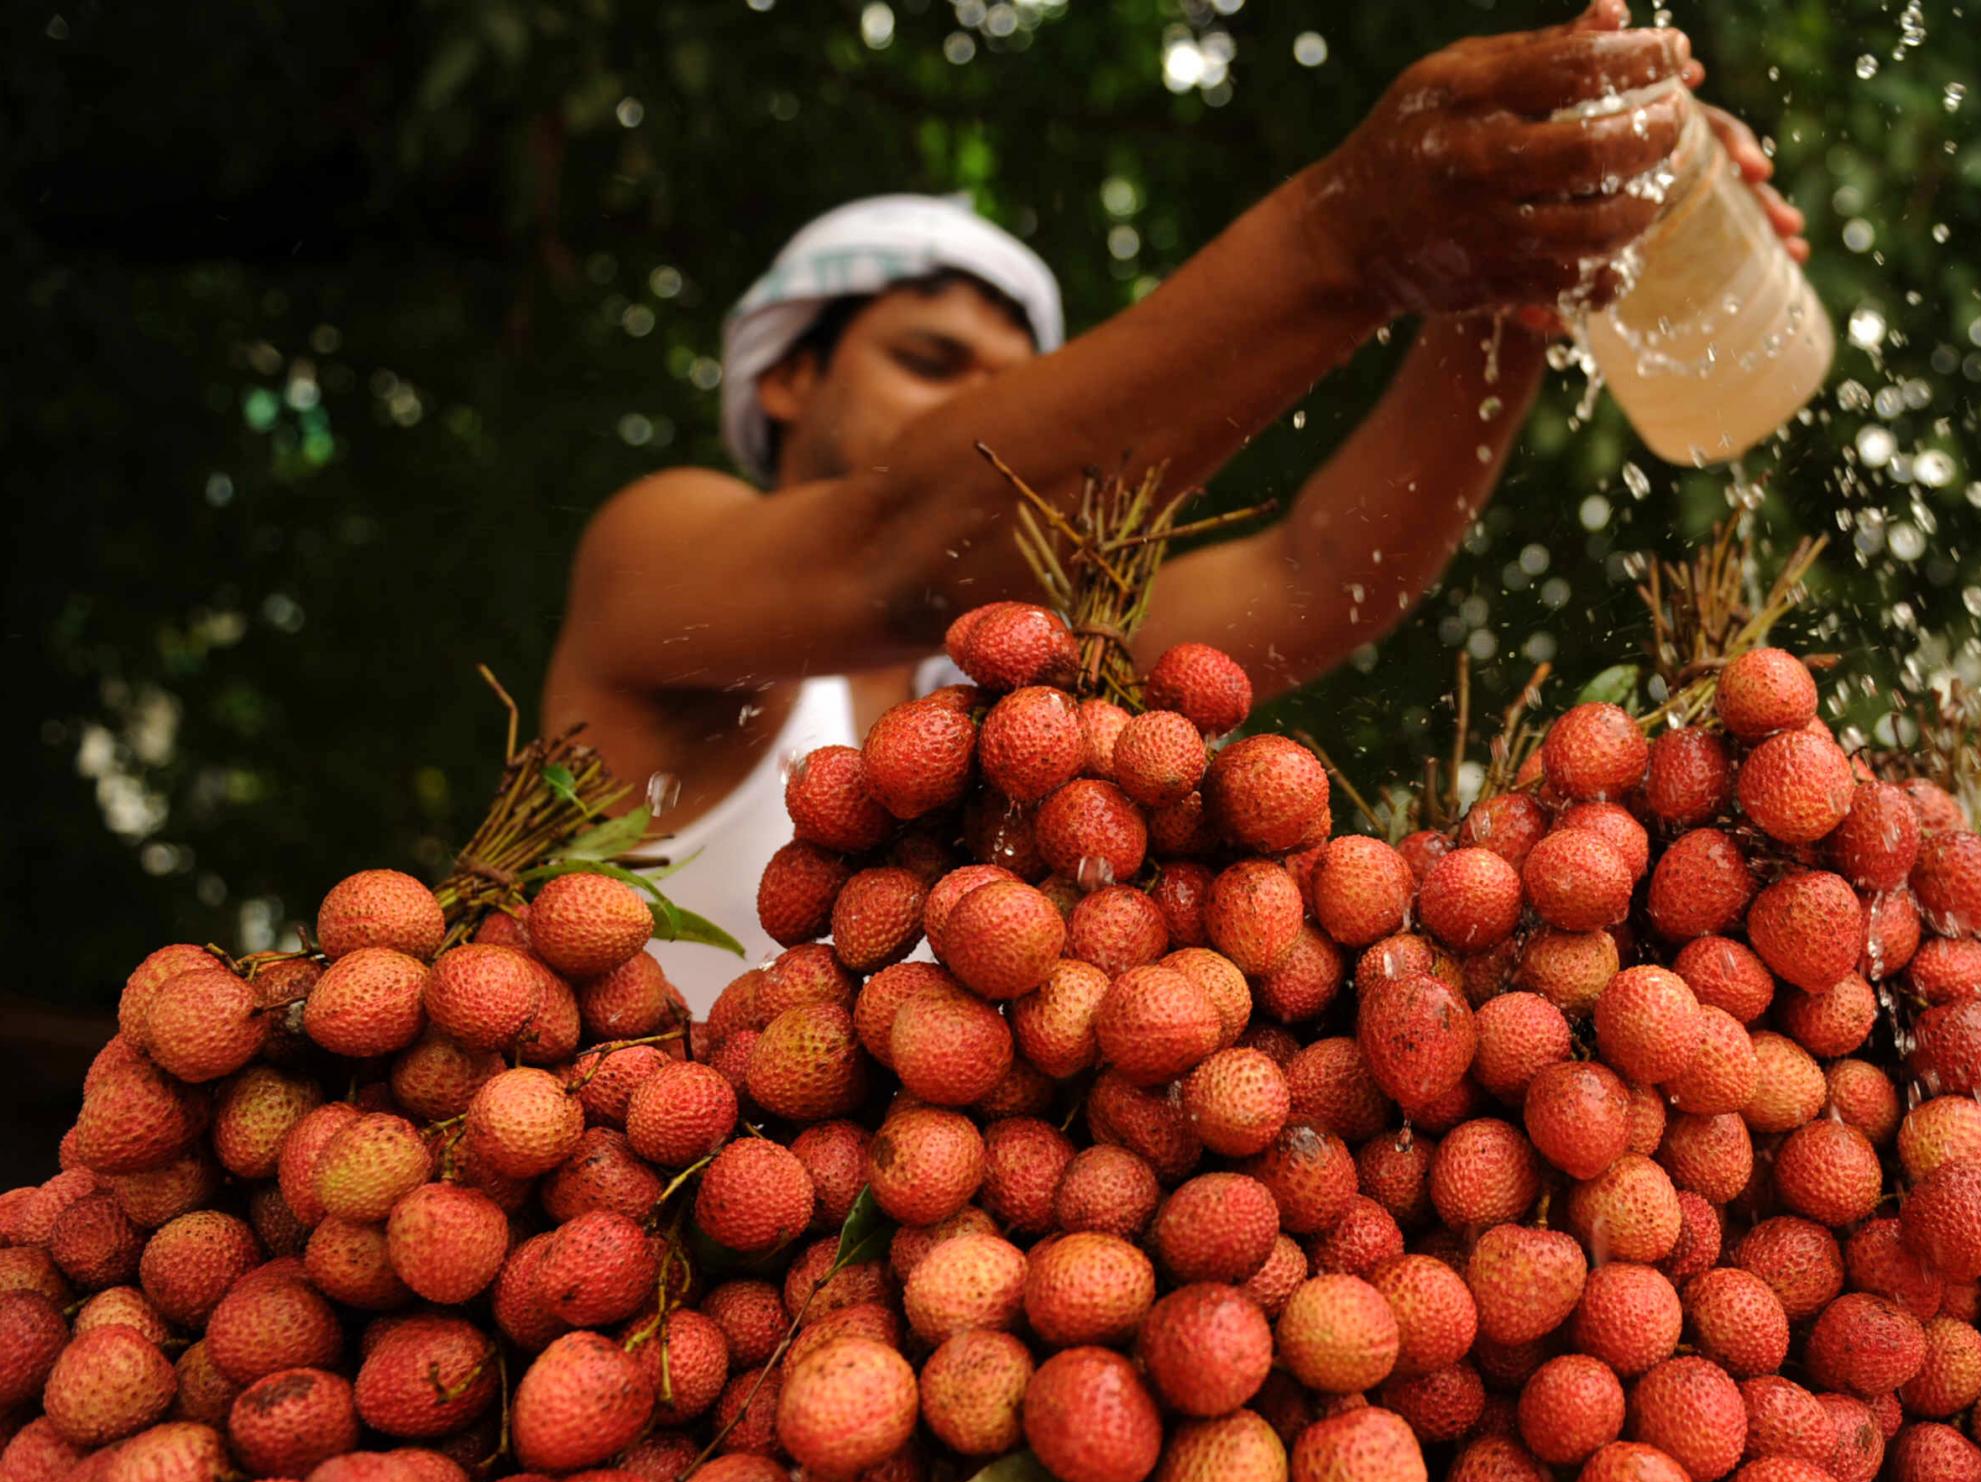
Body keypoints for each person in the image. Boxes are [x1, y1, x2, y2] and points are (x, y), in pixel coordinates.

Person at [543, 5, 1804, 1008]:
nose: (975, 418)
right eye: (931, 369)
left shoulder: (1026, 674)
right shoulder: (653, 555)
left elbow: (1319, 571)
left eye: (1015, 388)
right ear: (785, 379)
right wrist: (1348, 236)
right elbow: (899, 545)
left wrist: (1513, 284)